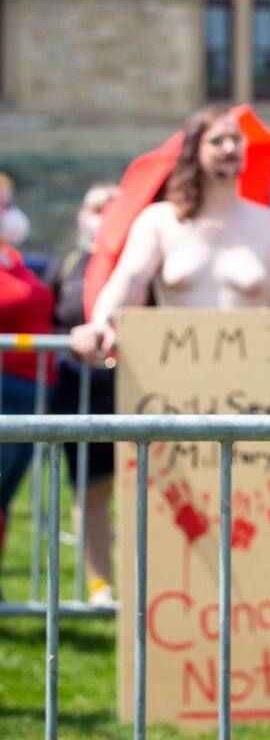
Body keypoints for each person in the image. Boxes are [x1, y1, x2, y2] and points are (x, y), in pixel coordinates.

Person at [67, 106, 270, 362]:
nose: (229, 147)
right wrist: (100, 321)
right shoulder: (159, 221)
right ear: (194, 150)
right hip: (176, 386)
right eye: (217, 140)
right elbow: (128, 279)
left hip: (256, 384)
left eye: (236, 139)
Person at [45, 182, 120, 603]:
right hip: (78, 391)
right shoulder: (68, 264)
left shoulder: (135, 262)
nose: (104, 215)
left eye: (114, 208)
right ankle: (100, 584)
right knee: (91, 490)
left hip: (133, 392)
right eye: (97, 207)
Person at [0, 189, 56, 590]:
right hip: (4, 386)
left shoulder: (16, 261)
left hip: (30, 391)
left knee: (4, 497)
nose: (12, 212)